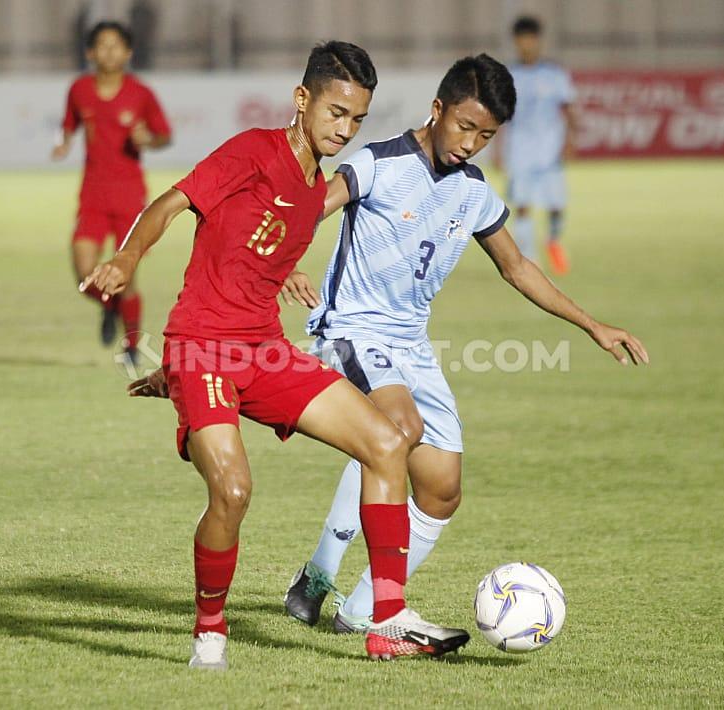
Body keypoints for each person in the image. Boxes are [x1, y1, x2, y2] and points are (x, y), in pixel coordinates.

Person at [81, 41, 470, 671]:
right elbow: (172, 203)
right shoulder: (253, 151)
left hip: (262, 352)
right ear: (302, 100)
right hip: (204, 348)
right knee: (233, 491)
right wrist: (127, 259)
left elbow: (253, 265)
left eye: (356, 119)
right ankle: (211, 628)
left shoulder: (318, 191)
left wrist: (175, 373)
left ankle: (388, 619)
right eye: (335, 112)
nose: (344, 129)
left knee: (387, 442)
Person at [276, 54, 648, 633]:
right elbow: (309, 211)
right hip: (351, 330)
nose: (471, 143)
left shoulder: (474, 192)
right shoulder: (379, 164)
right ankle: (320, 577)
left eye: (486, 135)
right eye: (464, 126)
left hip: (410, 346)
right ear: (437, 109)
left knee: (444, 488)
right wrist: (283, 265)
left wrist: (592, 323)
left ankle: (363, 607)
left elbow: (518, 267)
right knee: (399, 433)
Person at [54, 20, 171, 355]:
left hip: (129, 195)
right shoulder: (79, 89)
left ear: (128, 51)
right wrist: (61, 142)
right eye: (101, 45)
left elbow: (163, 135)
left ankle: (132, 344)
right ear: (90, 52)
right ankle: (111, 306)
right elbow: (68, 124)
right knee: (83, 271)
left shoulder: (141, 93)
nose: (108, 50)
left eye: (115, 44)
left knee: (125, 274)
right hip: (92, 193)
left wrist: (147, 138)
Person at [503, 16, 577, 275]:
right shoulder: (509, 75)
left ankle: (553, 241)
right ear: (516, 43)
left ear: (538, 41)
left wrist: (570, 140)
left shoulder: (554, 73)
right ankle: (530, 258)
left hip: (549, 150)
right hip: (520, 151)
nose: (526, 46)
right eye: (521, 41)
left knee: (557, 207)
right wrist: (499, 149)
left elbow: (568, 109)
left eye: (530, 40)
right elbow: (501, 115)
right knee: (522, 205)